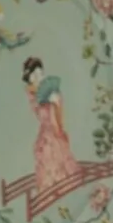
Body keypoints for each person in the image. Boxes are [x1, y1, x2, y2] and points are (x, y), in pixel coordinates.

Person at [22, 54, 77, 200]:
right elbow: (41, 114)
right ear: (29, 78)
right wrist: (51, 103)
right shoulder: (33, 96)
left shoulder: (50, 91)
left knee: (63, 160)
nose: (39, 77)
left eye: (40, 73)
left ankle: (67, 194)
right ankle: (51, 196)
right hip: (47, 135)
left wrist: (57, 102)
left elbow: (59, 115)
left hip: (56, 132)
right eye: (35, 75)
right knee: (49, 161)